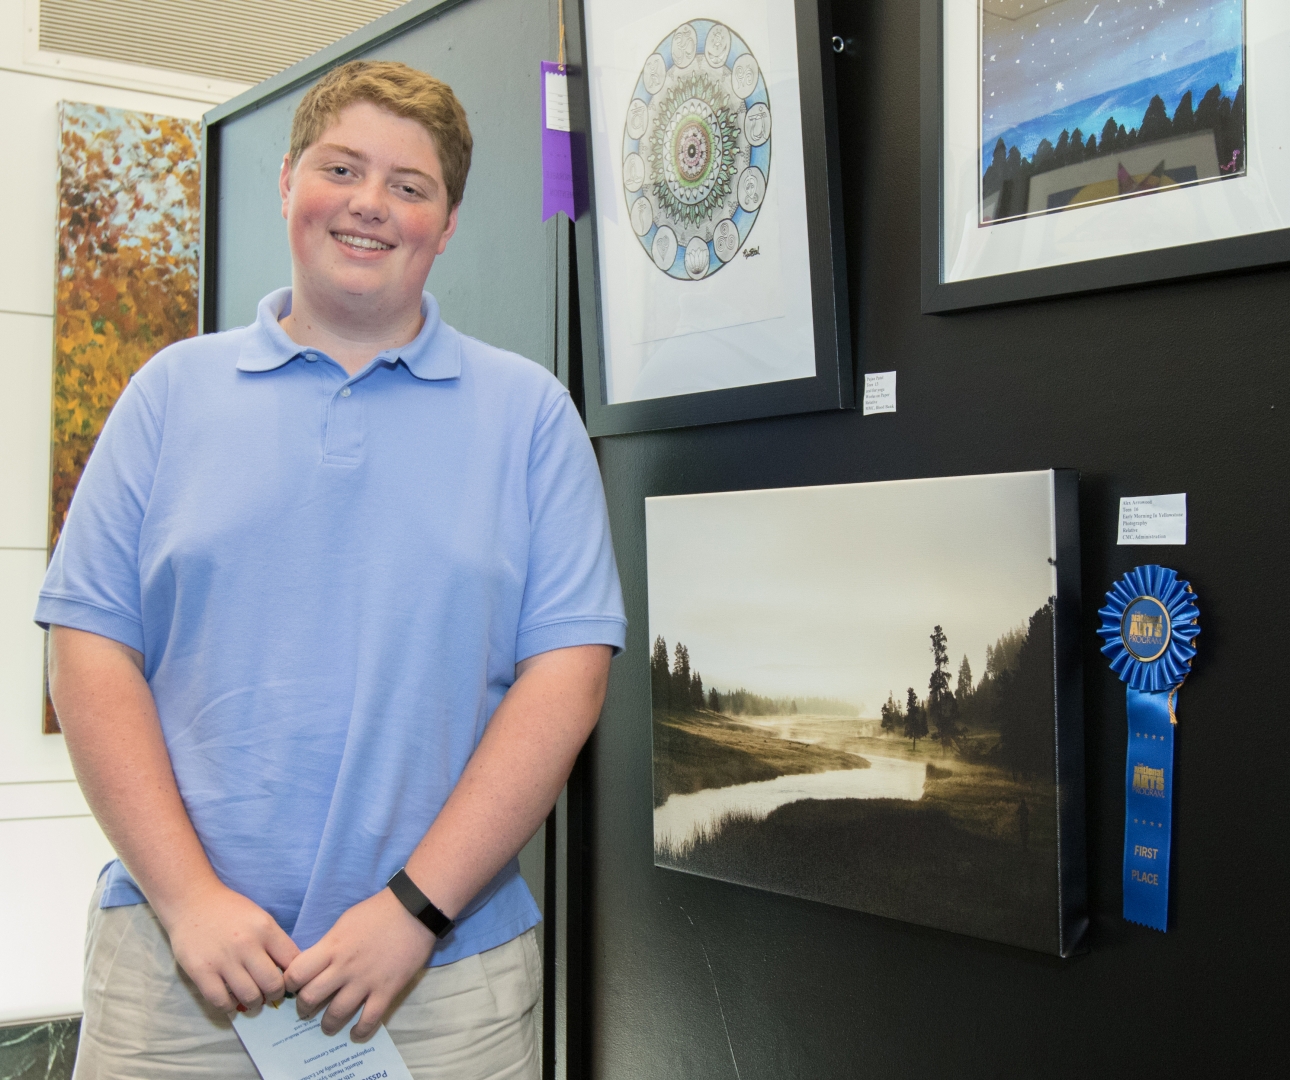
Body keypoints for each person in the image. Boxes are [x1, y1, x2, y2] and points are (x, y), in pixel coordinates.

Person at [38, 60, 625, 1080]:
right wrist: (188, 899)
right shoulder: (169, 395)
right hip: (180, 977)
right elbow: (89, 651)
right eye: (342, 168)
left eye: (411, 186)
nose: (370, 204)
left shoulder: (530, 419)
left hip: (444, 986)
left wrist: (413, 910)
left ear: (446, 226)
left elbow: (567, 680)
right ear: (286, 183)